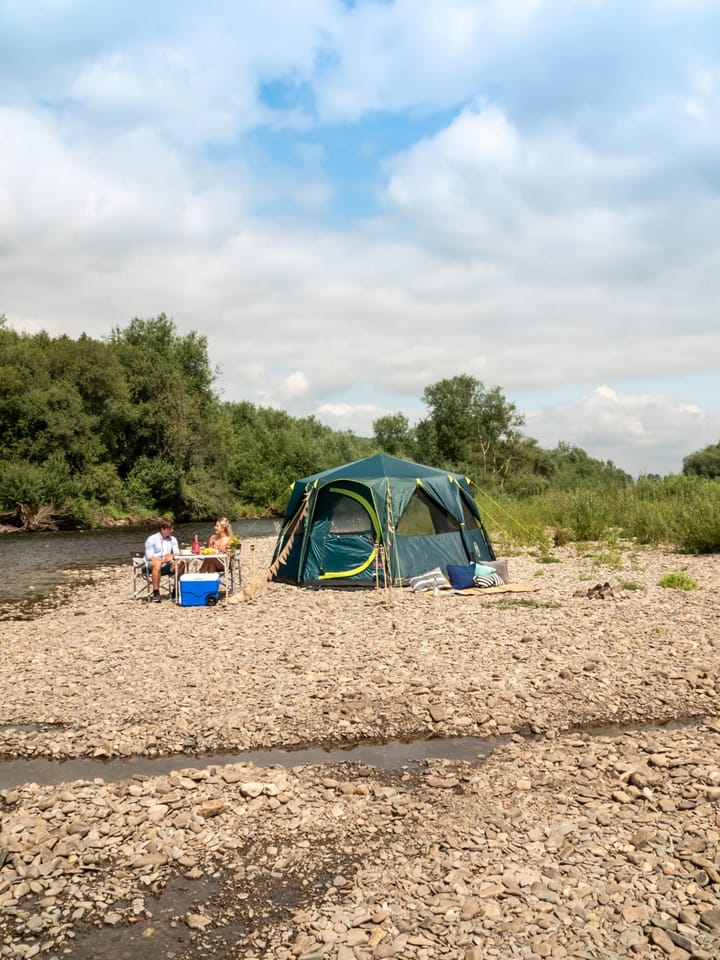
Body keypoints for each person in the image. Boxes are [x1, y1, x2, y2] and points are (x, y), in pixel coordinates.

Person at [144, 518, 180, 603]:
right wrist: (162, 560)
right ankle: (156, 593)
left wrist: (171, 556)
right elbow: (150, 557)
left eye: (172, 528)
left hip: (166, 564)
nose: (172, 530)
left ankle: (175, 591)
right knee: (157, 563)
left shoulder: (173, 539)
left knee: (180, 563)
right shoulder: (151, 539)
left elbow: (177, 553)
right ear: (162, 529)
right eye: (170, 529)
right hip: (150, 566)